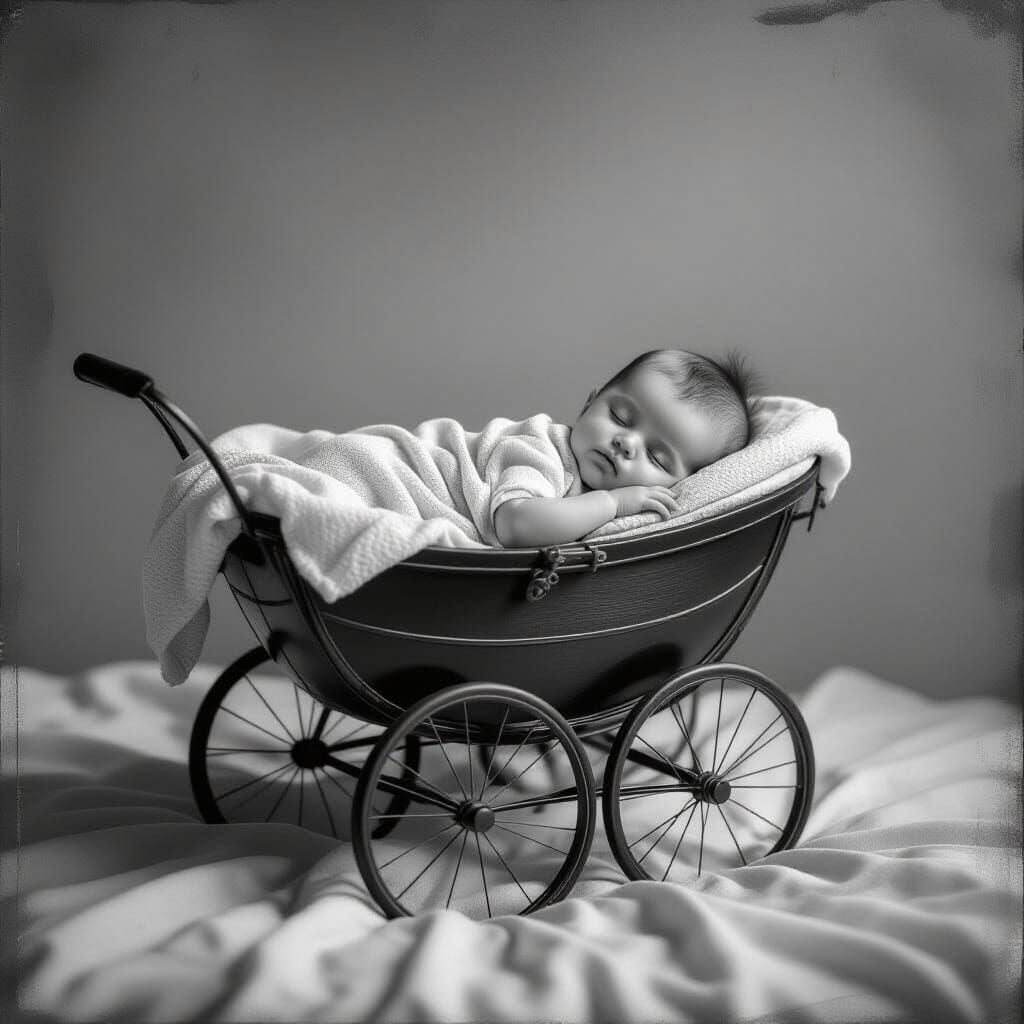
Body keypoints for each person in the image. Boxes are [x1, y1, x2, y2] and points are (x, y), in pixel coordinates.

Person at [493, 349, 757, 548]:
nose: (626, 443)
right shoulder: (542, 449)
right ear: (589, 404)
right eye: (619, 417)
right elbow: (515, 525)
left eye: (656, 458)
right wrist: (613, 503)